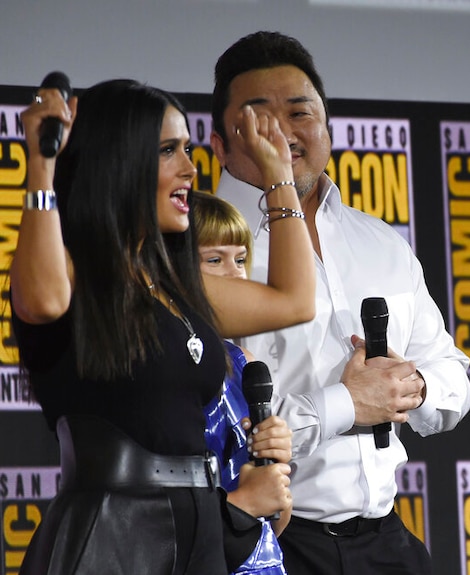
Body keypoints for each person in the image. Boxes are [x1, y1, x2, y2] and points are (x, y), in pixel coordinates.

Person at [12, 77, 314, 574]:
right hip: (112, 536)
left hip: (200, 530)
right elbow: (42, 301)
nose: (190, 170)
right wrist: (42, 166)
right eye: (168, 151)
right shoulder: (72, 274)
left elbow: (295, 300)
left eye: (189, 149)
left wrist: (279, 174)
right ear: (119, 163)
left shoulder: (174, 285)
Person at [211, 31, 470, 575]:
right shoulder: (199, 253)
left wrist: (409, 387)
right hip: (262, 543)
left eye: (301, 113)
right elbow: (212, 430)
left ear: (328, 128)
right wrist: (348, 403)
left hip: (388, 541)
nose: (282, 132)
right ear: (218, 143)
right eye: (259, 117)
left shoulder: (380, 242)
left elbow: (453, 377)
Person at [193, 190, 290, 575]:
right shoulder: (158, 373)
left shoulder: (242, 363)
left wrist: (277, 467)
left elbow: (275, 526)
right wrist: (241, 503)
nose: (236, 275)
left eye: (241, 260)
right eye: (215, 260)